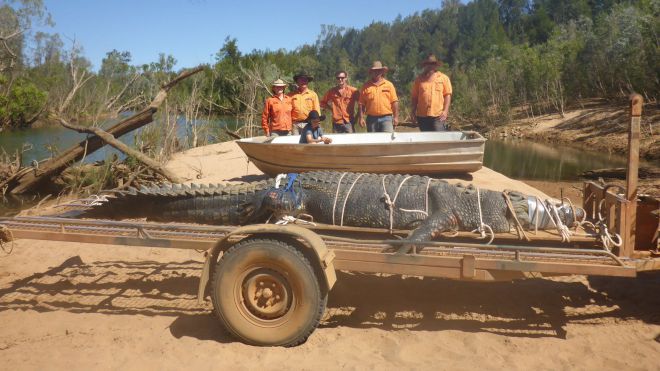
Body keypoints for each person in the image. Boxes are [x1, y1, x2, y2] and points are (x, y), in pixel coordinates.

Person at [410, 54, 453, 131]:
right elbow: (414, 97)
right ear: (425, 65)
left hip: (438, 116)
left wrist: (445, 111)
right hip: (422, 117)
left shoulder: (443, 78)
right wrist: (413, 111)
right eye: (428, 64)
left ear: (435, 65)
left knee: (440, 139)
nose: (430, 66)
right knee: (426, 140)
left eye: (432, 64)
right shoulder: (418, 80)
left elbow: (447, 95)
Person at [358, 61, 399, 133]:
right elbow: (361, 104)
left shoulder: (389, 85)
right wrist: (361, 118)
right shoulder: (366, 86)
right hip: (371, 119)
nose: (377, 72)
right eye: (374, 71)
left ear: (382, 72)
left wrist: (396, 117)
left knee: (388, 140)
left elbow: (394, 102)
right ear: (371, 72)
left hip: (386, 118)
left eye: (379, 70)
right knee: (373, 142)